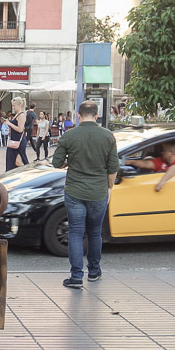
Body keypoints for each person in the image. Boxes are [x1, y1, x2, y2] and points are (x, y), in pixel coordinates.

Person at [50, 101, 118, 289]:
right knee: (95, 232)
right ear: (96, 116)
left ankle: (76, 276)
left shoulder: (69, 135)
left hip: (74, 192)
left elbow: (56, 163)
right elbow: (113, 168)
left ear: (78, 116)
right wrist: (109, 188)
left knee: (76, 232)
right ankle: (94, 272)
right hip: (98, 192)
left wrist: (68, 162)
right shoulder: (108, 136)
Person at [4, 98, 29, 171]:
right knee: (13, 161)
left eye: (14, 106)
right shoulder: (17, 115)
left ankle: (27, 172)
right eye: (12, 106)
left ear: (19, 105)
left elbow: (20, 129)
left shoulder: (21, 115)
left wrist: (9, 124)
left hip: (18, 141)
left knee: (18, 162)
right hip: (14, 141)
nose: (13, 108)